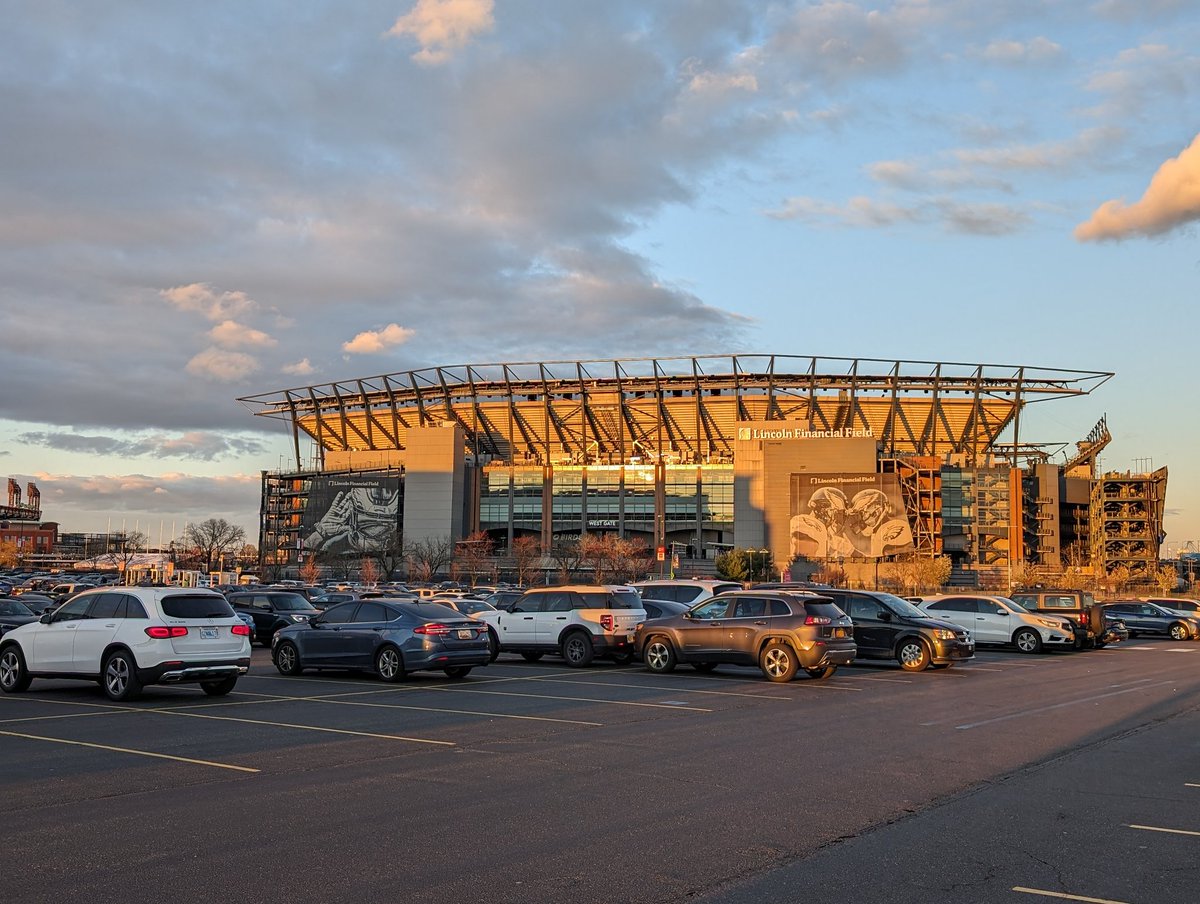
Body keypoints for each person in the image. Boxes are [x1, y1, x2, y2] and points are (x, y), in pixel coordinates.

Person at [790, 486, 856, 559]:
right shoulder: (803, 521)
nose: (837, 519)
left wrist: (850, 550)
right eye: (836, 513)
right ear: (822, 509)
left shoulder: (829, 536)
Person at [846, 488, 913, 557]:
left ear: (877, 511)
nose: (860, 519)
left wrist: (889, 551)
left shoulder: (895, 525)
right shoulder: (877, 532)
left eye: (862, 513)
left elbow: (908, 548)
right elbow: (876, 563)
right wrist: (851, 550)